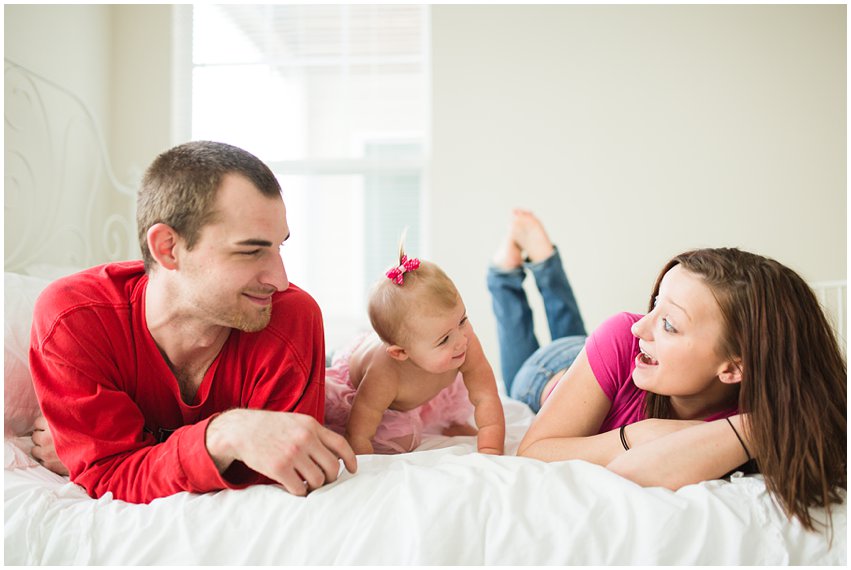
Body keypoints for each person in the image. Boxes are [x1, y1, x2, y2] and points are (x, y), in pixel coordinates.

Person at [29, 141, 357, 504]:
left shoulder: (291, 317)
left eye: (279, 247)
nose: (279, 280)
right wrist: (226, 435)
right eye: (251, 251)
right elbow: (109, 472)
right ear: (168, 248)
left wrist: (104, 456)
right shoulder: (74, 319)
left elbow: (281, 479)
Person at [489, 209, 846, 532]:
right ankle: (508, 276)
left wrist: (761, 423)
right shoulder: (625, 334)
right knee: (527, 362)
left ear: (735, 367)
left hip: (614, 361)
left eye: (670, 325)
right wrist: (641, 434)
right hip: (553, 372)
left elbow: (632, 472)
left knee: (582, 333)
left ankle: (545, 263)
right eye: (656, 304)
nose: (641, 326)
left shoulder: (752, 413)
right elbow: (533, 454)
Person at [324, 249, 506, 455]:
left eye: (462, 320)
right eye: (444, 339)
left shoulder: (463, 340)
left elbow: (486, 395)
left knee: (452, 391)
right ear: (400, 352)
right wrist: (364, 463)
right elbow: (359, 433)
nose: (461, 340)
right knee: (400, 441)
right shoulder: (384, 374)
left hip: (424, 372)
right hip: (362, 389)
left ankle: (448, 422)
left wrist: (491, 448)